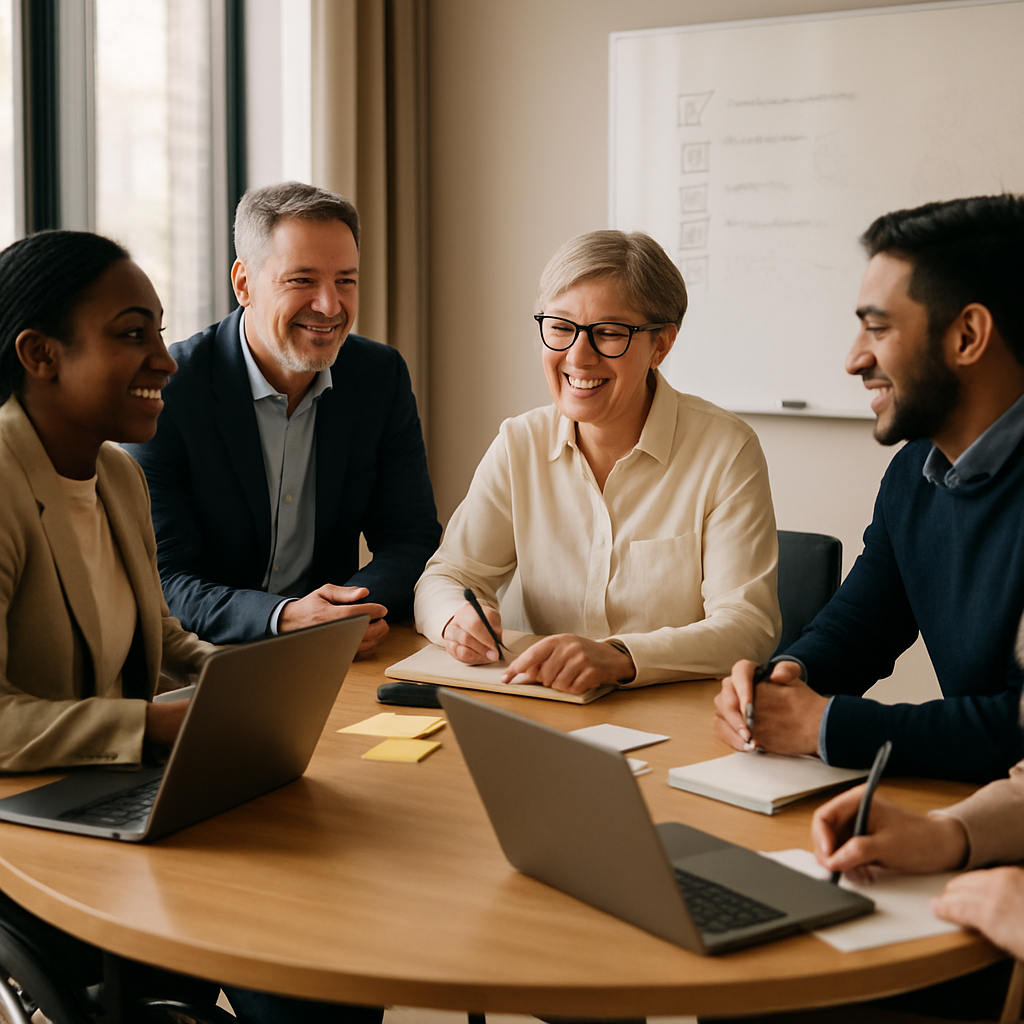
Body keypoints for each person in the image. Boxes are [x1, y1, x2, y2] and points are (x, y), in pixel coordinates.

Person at [0, 229, 385, 1024]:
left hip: (120, 794)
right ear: (40, 355)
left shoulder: (113, 472)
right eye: (131, 334)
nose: (166, 359)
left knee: (334, 958)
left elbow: (164, 638)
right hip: (35, 840)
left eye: (158, 328)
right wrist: (155, 724)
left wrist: (243, 683)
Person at [715, 194, 1024, 784]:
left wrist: (826, 726)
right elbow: (860, 626)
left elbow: (1017, 725)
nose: (855, 359)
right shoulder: (916, 472)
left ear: (967, 336)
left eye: (878, 329)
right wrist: (784, 680)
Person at [414, 230, 781, 695]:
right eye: (561, 327)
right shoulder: (519, 444)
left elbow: (748, 628)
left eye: (609, 333)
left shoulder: (725, 451)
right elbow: (447, 576)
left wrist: (619, 657)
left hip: (670, 716)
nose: (577, 356)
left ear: (660, 347)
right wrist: (456, 619)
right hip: (538, 708)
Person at [126, 181, 441, 652]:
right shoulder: (170, 390)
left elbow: (411, 537)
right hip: (204, 657)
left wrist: (344, 611)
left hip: (334, 653)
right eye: (302, 280)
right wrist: (282, 618)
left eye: (346, 281)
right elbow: (161, 578)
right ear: (244, 284)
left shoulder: (379, 376)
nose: (330, 306)